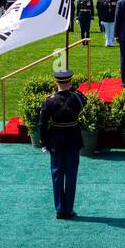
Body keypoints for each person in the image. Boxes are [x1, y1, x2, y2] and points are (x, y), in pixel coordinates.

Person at [39, 68, 85, 219]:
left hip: (56, 140)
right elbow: (84, 99)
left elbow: (42, 124)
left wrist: (43, 142)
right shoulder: (78, 98)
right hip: (73, 138)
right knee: (71, 175)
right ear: (70, 82)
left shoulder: (49, 100)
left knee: (57, 174)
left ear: (56, 82)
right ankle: (69, 209)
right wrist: (72, 89)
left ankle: (60, 209)